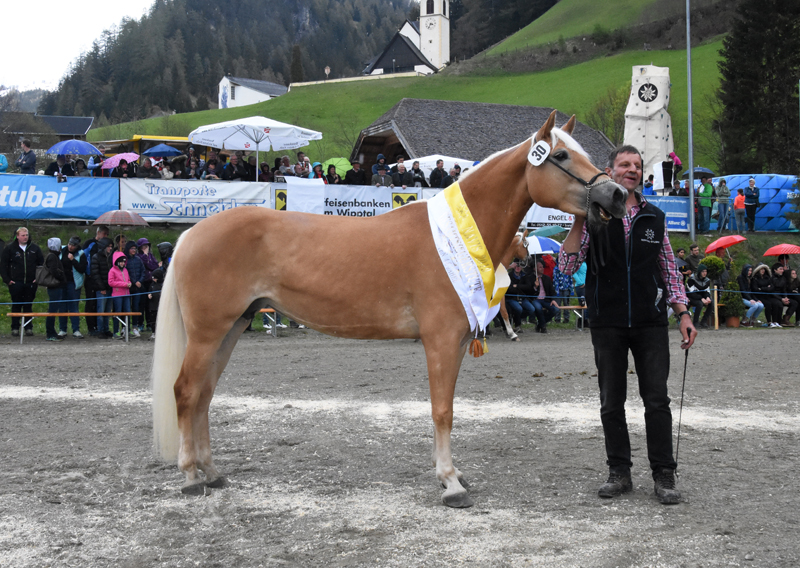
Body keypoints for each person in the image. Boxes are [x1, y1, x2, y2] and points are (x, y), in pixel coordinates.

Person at [558, 144, 695, 505]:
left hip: (650, 322)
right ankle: (619, 472)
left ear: (640, 174)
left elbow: (667, 269)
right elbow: (567, 268)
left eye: (636, 165)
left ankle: (664, 474)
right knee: (611, 401)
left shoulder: (655, 217)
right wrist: (578, 218)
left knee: (657, 400)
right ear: (610, 170)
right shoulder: (596, 216)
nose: (631, 170)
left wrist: (682, 313)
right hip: (608, 322)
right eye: (624, 164)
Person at [1, 227, 44, 337]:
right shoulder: (10, 249)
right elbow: (3, 265)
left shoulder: (35, 248)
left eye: (27, 235)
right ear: (18, 236)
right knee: (16, 305)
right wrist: (7, 280)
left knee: (28, 305)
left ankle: (28, 327)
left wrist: (37, 278)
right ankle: (15, 327)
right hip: (16, 282)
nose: (25, 237)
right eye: (23, 235)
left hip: (30, 282)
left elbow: (41, 264)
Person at [82, 225, 109, 336]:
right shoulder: (90, 243)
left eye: (107, 235)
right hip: (90, 277)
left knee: (100, 304)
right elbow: (84, 258)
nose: (105, 236)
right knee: (91, 302)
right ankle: (91, 326)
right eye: (104, 234)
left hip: (100, 277)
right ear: (98, 233)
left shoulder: (105, 245)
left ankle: (100, 326)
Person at [59, 236, 87, 338]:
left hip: (74, 283)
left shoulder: (81, 254)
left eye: (73, 245)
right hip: (61, 282)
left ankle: (76, 329)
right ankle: (62, 329)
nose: (71, 247)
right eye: (70, 244)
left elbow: (82, 268)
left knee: (74, 306)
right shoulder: (61, 250)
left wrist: (73, 261)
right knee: (62, 306)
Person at [42, 238, 68, 341]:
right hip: (55, 287)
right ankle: (50, 333)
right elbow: (53, 270)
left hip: (57, 287)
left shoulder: (54, 256)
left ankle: (52, 331)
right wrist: (61, 276)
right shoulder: (52, 257)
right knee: (52, 310)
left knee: (54, 310)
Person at [91, 238, 115, 338]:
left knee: (107, 311)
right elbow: (95, 274)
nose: (110, 248)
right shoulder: (96, 257)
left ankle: (106, 329)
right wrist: (102, 287)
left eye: (111, 246)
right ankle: (100, 330)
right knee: (101, 310)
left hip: (110, 287)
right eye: (108, 246)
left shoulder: (111, 258)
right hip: (101, 289)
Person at [529, 260, 559, 333]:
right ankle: (543, 327)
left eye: (542, 267)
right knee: (538, 308)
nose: (542, 268)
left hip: (546, 299)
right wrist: (535, 287)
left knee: (556, 309)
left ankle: (540, 325)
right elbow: (528, 292)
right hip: (535, 299)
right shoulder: (530, 278)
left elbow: (552, 291)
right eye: (540, 267)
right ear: (535, 269)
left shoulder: (547, 278)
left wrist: (553, 299)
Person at [137, 238, 160, 332]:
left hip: (151, 282)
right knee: (141, 304)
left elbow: (155, 266)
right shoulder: (140, 256)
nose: (145, 247)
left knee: (150, 304)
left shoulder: (151, 255)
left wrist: (149, 258)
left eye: (147, 245)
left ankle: (149, 323)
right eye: (143, 246)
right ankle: (140, 323)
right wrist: (146, 256)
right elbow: (149, 266)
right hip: (143, 283)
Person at [108, 251, 132, 339]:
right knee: (117, 313)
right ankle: (116, 331)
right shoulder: (112, 270)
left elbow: (128, 279)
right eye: (120, 262)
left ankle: (126, 330)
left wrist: (129, 283)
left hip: (126, 294)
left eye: (123, 261)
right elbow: (111, 282)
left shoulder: (125, 270)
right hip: (117, 295)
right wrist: (124, 284)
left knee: (127, 312)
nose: (122, 263)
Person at [505, 263, 536, 331]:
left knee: (531, 309)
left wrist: (517, 286)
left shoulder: (525, 275)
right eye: (516, 265)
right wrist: (520, 288)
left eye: (520, 265)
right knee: (519, 309)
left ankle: (516, 318)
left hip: (522, 297)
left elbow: (528, 286)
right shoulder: (509, 275)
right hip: (511, 298)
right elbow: (508, 288)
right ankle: (517, 324)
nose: (518, 267)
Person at [124, 241, 144, 338]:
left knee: (136, 307)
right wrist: (134, 281)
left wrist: (140, 281)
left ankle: (135, 327)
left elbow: (142, 271)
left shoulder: (138, 259)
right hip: (128, 287)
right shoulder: (125, 260)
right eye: (132, 248)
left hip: (137, 288)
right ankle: (124, 327)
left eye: (135, 249)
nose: (134, 250)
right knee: (126, 308)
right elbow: (125, 272)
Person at [771, 263, 798, 327]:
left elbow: (784, 289)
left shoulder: (783, 278)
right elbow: (772, 291)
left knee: (794, 303)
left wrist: (785, 297)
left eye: (783, 269)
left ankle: (786, 319)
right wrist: (781, 299)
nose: (782, 270)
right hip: (774, 297)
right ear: (775, 270)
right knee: (779, 304)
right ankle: (777, 321)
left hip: (782, 296)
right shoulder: (771, 278)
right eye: (780, 269)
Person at [147, 267, 164, 340]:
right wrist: (149, 295)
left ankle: (161, 333)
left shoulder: (163, 285)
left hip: (160, 306)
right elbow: (149, 291)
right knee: (153, 320)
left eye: (155, 278)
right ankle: (153, 332)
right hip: (153, 305)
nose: (153, 279)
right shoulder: (152, 285)